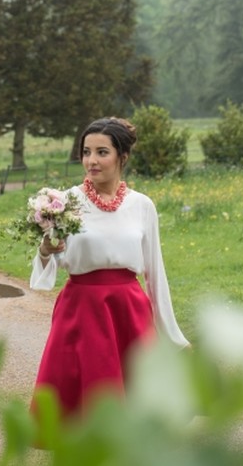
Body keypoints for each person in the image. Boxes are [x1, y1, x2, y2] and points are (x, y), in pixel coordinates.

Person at [30, 116, 189, 421]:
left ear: (122, 157)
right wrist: (46, 250)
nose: (91, 160)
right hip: (81, 310)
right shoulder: (64, 203)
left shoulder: (142, 206)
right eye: (86, 152)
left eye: (102, 152)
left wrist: (174, 337)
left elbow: (155, 274)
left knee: (139, 399)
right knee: (86, 397)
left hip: (129, 310)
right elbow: (48, 264)